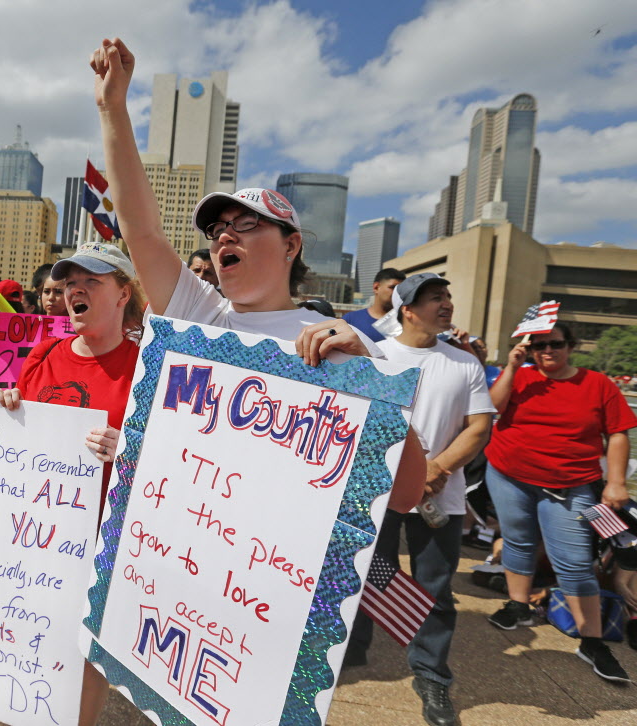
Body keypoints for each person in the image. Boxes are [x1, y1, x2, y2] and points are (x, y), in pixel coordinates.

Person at [88, 37, 425, 512]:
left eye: (246, 225)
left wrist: (369, 379)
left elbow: (406, 496)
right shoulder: (200, 314)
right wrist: (111, 108)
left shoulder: (336, 345)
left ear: (291, 244)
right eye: (217, 229)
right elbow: (141, 231)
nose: (225, 237)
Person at [0, 241, 145, 726]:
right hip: (30, 536)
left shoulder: (146, 368)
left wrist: (129, 449)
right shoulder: (44, 354)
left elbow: (166, 463)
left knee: (83, 658)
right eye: (70, 283)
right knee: (4, 649)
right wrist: (6, 404)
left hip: (100, 543)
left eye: (92, 281)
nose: (75, 291)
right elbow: (21, 431)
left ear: (123, 293)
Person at [344, 273, 495, 726]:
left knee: (435, 588)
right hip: (379, 494)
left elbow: (479, 426)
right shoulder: (377, 354)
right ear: (407, 309)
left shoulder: (464, 363)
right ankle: (350, 653)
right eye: (435, 299)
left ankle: (431, 674)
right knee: (368, 574)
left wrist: (436, 468)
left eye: (448, 297)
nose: (446, 304)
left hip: (439, 499)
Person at [485, 322, 636, 683]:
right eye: (538, 346)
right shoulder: (520, 377)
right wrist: (511, 366)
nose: (546, 351)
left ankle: (592, 640)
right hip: (509, 475)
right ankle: (518, 605)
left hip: (570, 485)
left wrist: (615, 483)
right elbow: (490, 408)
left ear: (570, 346)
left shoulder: (598, 383)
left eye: (554, 344)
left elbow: (617, 434)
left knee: (574, 562)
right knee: (518, 541)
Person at [343, 267, 405, 343]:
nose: (398, 293)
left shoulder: (408, 322)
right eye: (393, 287)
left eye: (401, 289)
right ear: (376, 287)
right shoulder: (351, 319)